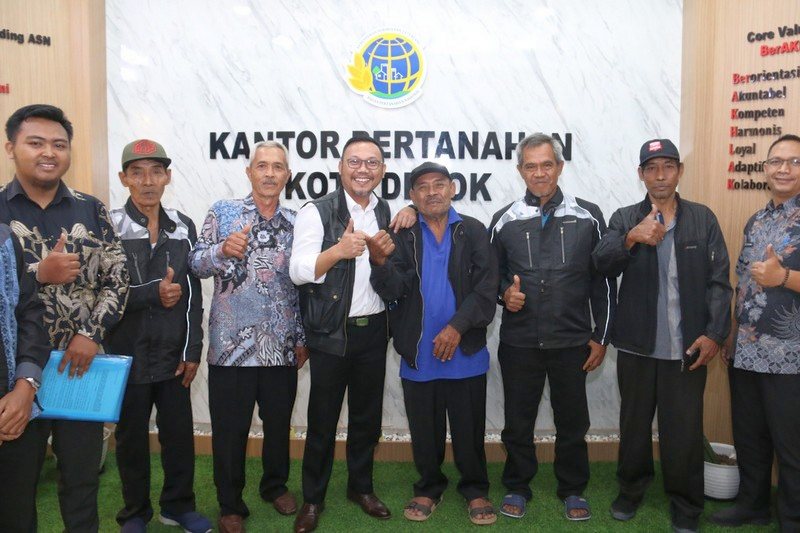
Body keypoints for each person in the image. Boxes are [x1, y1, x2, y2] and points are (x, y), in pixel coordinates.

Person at [1, 104, 129, 532]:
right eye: (35, 143)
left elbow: (118, 281)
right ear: (11, 148)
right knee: (15, 488)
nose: (48, 153)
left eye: (59, 144)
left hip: (80, 368)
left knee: (81, 482)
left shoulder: (90, 210)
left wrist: (91, 333)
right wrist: (38, 272)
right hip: (15, 378)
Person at [593, 138, 731, 533]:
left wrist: (714, 334)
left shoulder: (702, 219)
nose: (660, 175)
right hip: (637, 346)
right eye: (651, 168)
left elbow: (719, 282)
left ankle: (686, 505)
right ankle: (630, 491)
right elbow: (601, 263)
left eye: (668, 166)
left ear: (679, 172)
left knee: (683, 432)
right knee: (634, 427)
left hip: (688, 348)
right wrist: (631, 237)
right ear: (641, 174)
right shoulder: (624, 217)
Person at [289, 135, 416, 533]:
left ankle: (361, 488)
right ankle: (313, 499)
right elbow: (298, 270)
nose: (363, 169)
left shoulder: (385, 210)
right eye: (355, 161)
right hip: (331, 332)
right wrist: (338, 251)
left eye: (372, 162)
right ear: (341, 167)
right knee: (322, 422)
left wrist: (410, 211)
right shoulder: (317, 211)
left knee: (366, 420)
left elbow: (389, 270)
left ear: (383, 170)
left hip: (373, 332)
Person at [488, 132, 615, 522]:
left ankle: (573, 489)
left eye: (547, 164)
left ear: (559, 167)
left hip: (572, 341)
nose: (539, 173)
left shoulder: (588, 215)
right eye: (531, 166)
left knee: (573, 422)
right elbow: (489, 277)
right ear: (520, 170)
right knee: (518, 422)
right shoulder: (504, 219)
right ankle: (517, 485)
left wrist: (601, 337)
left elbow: (603, 281)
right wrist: (504, 295)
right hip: (520, 341)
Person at [370, 161, 499, 526]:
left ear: (452, 188)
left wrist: (457, 328)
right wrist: (379, 262)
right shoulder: (401, 233)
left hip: (465, 349)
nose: (432, 192)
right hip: (419, 350)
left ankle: (475, 489)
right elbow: (392, 290)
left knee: (469, 429)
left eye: (439, 184)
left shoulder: (473, 230)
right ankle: (428, 487)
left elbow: (486, 289)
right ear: (413, 196)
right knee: (424, 430)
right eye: (422, 187)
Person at [189, 141, 307, 533]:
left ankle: (275, 486)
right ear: (249, 171)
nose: (270, 173)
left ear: (287, 175)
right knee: (229, 430)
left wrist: (301, 337)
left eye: (278, 167)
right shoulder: (223, 212)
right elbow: (196, 263)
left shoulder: (297, 222)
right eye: (262, 166)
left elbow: (302, 285)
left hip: (280, 345)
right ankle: (230, 503)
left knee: (278, 424)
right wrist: (222, 250)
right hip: (231, 347)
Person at [107, 139, 211, 533]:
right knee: (131, 440)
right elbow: (101, 293)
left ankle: (178, 507)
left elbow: (193, 295)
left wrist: (192, 349)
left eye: (155, 172)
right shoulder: (109, 225)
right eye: (137, 172)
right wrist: (152, 293)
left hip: (173, 355)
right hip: (125, 355)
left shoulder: (182, 225)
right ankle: (135, 513)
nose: (147, 181)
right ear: (124, 178)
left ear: (167, 177)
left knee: (179, 438)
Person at [710, 134, 800, 531]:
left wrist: (785, 278)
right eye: (776, 161)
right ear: (765, 168)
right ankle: (753, 505)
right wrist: (731, 332)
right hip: (746, 350)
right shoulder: (757, 219)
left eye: (794, 161)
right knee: (750, 436)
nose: (784, 169)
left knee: (791, 445)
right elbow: (743, 282)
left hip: (791, 356)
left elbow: (776, 277)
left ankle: (793, 518)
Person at [0, 222, 51, 533]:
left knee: (17, 517)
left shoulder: (5, 239)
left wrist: (25, 386)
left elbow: (30, 313)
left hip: (13, 412)